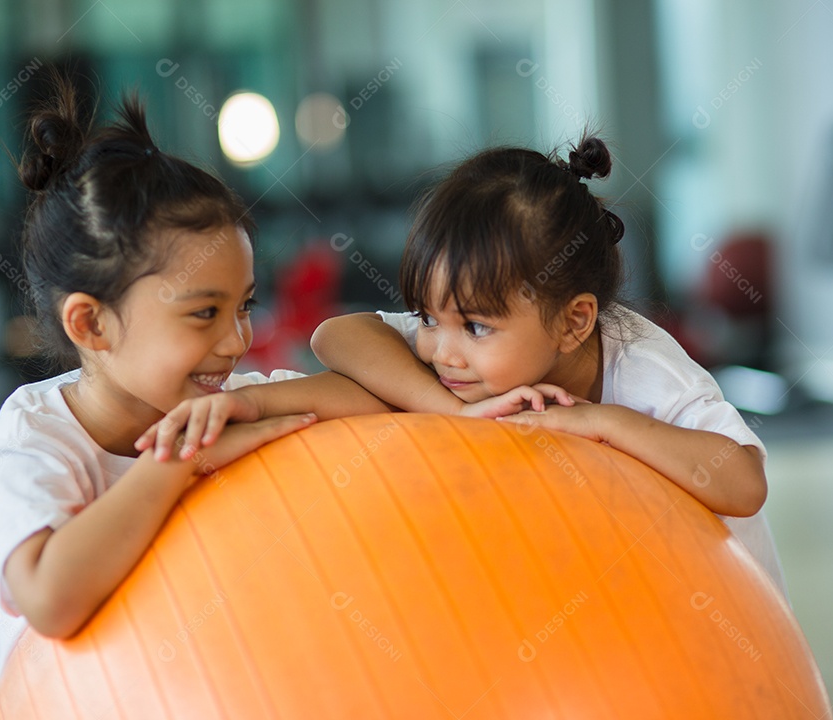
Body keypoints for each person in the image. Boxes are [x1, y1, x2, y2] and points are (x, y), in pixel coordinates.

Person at [0, 75, 388, 720]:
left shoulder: (214, 400)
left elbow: (369, 402)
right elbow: (52, 600)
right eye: (204, 314)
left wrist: (255, 407)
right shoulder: (27, 446)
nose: (236, 341)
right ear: (91, 324)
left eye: (245, 306)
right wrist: (178, 463)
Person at [310, 135, 789, 596]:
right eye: (427, 317)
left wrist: (600, 420)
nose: (441, 352)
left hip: (719, 619)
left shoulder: (645, 369)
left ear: (573, 321)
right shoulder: (464, 343)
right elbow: (334, 336)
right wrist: (448, 409)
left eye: (475, 327)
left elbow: (744, 485)